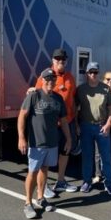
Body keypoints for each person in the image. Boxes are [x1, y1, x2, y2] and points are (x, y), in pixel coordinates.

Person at [18, 69, 71, 219]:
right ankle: (28, 203)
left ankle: (40, 198)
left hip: (52, 143)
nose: (50, 82)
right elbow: (22, 116)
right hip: (36, 143)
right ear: (42, 81)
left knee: (44, 169)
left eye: (52, 80)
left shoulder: (58, 99)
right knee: (32, 172)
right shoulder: (34, 96)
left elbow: (64, 121)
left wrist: (69, 138)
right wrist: (21, 137)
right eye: (47, 80)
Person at [34, 47, 78, 196]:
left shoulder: (70, 77)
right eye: (58, 59)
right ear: (53, 60)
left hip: (68, 122)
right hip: (51, 125)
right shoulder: (45, 77)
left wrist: (76, 124)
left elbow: (73, 101)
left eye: (63, 59)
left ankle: (60, 182)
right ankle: (43, 186)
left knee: (65, 151)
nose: (61, 61)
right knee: (45, 156)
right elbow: (36, 98)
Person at [75, 62, 111, 195]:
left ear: (99, 73)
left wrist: (108, 124)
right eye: (91, 72)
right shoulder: (81, 89)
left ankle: (109, 183)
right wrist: (76, 125)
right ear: (87, 73)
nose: (93, 74)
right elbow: (75, 109)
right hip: (86, 126)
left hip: (101, 126)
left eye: (96, 72)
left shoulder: (105, 89)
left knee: (106, 157)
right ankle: (87, 181)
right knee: (87, 156)